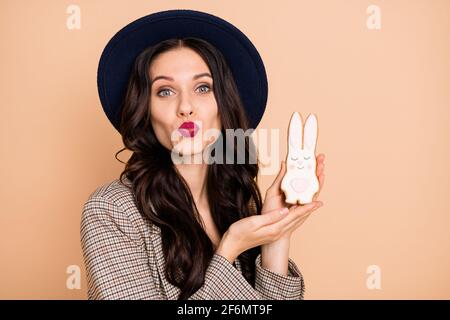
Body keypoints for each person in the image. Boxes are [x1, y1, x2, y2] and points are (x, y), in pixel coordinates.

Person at [80, 9, 325, 300]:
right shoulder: (111, 210)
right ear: (144, 110)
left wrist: (275, 237)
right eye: (165, 91)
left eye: (202, 87)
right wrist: (229, 247)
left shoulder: (235, 203)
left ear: (224, 104)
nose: (186, 107)